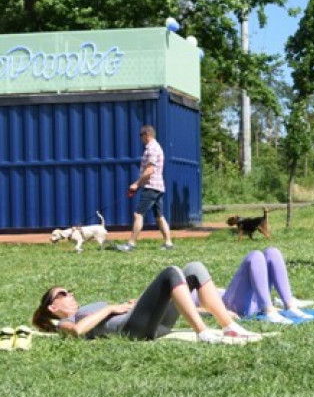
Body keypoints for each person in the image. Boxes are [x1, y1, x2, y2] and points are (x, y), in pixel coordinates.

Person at [31, 263, 262, 343]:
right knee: (171, 272)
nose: (69, 294)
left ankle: (228, 326)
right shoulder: (64, 323)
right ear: (53, 307)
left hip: (147, 322)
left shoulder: (86, 309)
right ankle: (202, 332)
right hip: (133, 329)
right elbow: (78, 331)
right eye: (62, 294)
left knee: (193, 269)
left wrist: (134, 303)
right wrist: (111, 308)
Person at [213, 247, 314, 324]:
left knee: (272, 252)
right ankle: (269, 311)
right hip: (232, 305)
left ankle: (290, 306)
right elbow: (198, 310)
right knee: (255, 256)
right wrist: (221, 312)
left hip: (255, 304)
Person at [118, 124, 173, 252]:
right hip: (158, 186)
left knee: (138, 215)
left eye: (141, 136)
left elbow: (149, 170)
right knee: (159, 216)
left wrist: (136, 184)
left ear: (147, 134)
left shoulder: (152, 149)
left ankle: (130, 244)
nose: (140, 138)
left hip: (151, 186)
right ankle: (168, 243)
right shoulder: (156, 147)